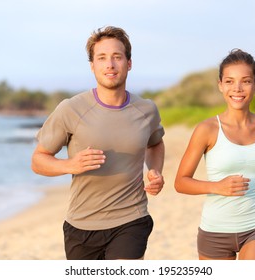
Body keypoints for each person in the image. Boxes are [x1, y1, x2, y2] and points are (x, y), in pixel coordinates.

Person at [31, 26, 165, 260]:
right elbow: (38, 160)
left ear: (129, 63)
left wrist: (154, 171)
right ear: (92, 66)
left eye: (117, 57)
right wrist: (69, 165)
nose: (110, 65)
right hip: (81, 225)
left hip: (131, 219)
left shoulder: (146, 110)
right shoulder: (70, 109)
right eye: (101, 58)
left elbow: (155, 144)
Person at [174, 49, 255, 260]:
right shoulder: (207, 129)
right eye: (229, 81)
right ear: (220, 85)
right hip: (215, 231)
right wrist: (216, 187)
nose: (237, 88)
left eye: (245, 81)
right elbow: (181, 182)